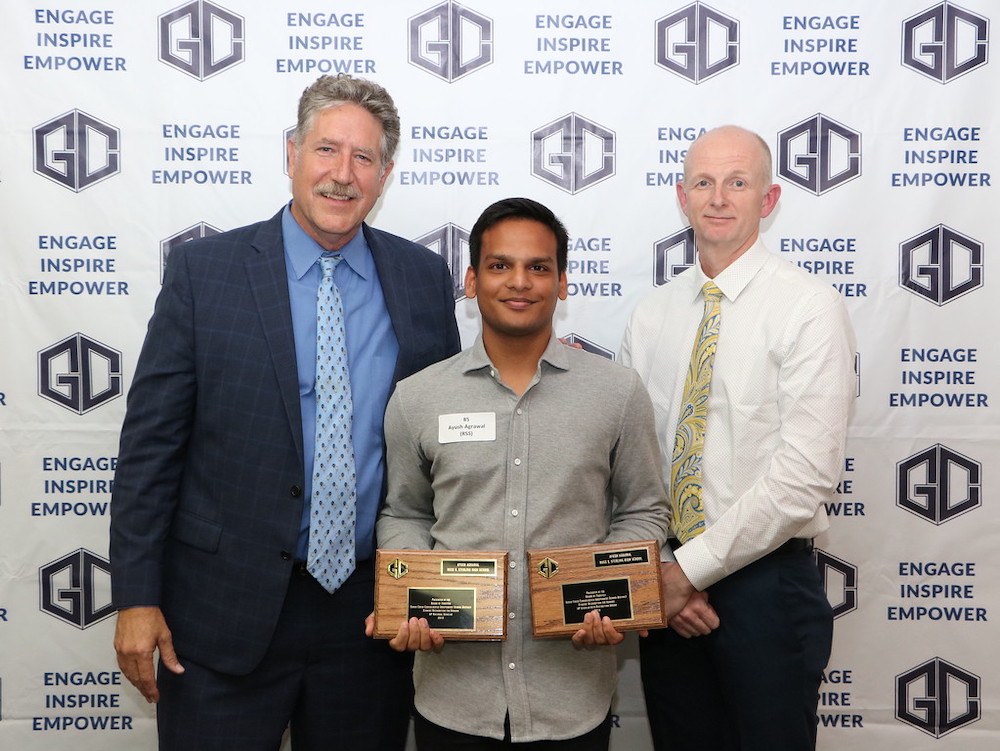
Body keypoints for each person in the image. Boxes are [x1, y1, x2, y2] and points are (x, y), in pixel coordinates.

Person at [109, 74, 460, 750]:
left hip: (367, 618)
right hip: (220, 614)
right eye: (327, 149)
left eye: (363, 158)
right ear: (292, 152)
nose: (342, 174)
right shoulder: (204, 273)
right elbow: (151, 450)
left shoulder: (421, 280)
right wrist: (136, 597)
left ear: (385, 173)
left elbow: (436, 453)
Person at [369, 197, 670, 749]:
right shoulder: (416, 397)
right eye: (499, 265)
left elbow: (643, 510)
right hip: (454, 699)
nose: (519, 282)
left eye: (539, 267)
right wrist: (413, 597)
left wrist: (612, 595)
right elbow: (405, 512)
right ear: (471, 280)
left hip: (570, 698)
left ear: (562, 283)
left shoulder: (617, 392)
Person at [620, 125, 856, 751]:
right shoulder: (652, 315)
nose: (718, 197)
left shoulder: (809, 307)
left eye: (738, 182)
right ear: (682, 196)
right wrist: (663, 573)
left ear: (769, 199)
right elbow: (632, 462)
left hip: (765, 588)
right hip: (669, 582)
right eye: (703, 182)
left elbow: (804, 478)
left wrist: (686, 572)